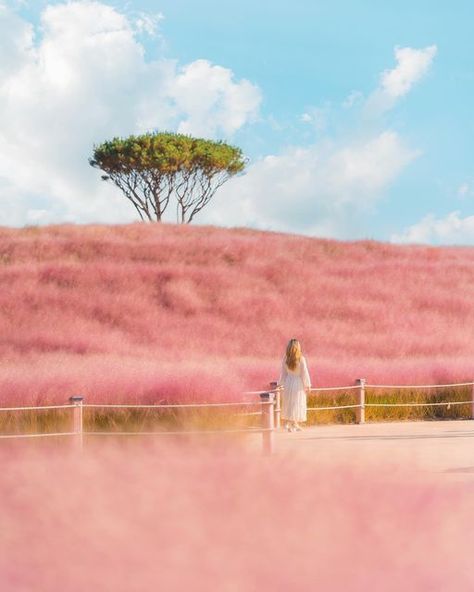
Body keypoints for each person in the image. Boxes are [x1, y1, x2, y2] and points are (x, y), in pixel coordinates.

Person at [278, 338, 311, 432]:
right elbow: (304, 373)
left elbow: (283, 373)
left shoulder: (285, 358)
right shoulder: (301, 359)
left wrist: (280, 383)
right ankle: (292, 425)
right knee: (297, 403)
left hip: (288, 382)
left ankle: (291, 424)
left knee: (289, 403)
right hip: (298, 384)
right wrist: (307, 385)